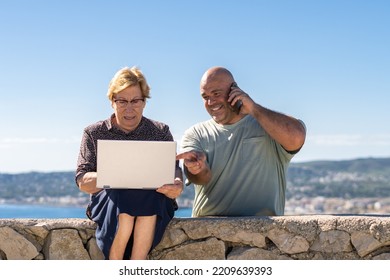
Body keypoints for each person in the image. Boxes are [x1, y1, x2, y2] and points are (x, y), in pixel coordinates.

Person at [75, 66, 183, 260]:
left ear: (144, 102)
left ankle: (135, 265)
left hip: (153, 201)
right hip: (110, 202)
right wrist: (115, 175)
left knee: (151, 193)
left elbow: (174, 170)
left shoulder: (160, 131)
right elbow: (83, 180)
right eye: (122, 101)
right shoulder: (93, 132)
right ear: (112, 102)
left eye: (135, 101)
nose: (129, 108)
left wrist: (176, 184)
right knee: (120, 194)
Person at [177, 66, 306, 217]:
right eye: (205, 97)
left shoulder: (267, 125)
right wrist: (197, 168)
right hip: (209, 233)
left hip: (263, 233)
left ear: (234, 90)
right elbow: (200, 178)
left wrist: (254, 109)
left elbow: (297, 137)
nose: (210, 102)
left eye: (216, 93)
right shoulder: (195, 133)